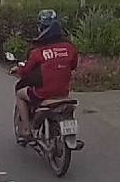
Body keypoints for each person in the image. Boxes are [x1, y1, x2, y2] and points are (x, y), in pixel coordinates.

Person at [10, 9, 79, 144]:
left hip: (43, 94)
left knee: (20, 94)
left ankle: (26, 129)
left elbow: (26, 71)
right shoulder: (69, 48)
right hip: (63, 93)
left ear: (40, 28)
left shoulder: (37, 52)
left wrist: (18, 69)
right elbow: (73, 65)